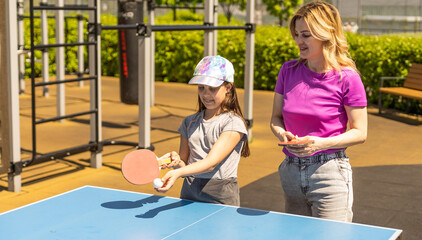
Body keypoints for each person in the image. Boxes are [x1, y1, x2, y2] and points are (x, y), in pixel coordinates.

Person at [270, 2, 367, 222]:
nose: (298, 41)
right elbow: (276, 117)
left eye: (305, 35)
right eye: (296, 34)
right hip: (290, 172)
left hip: (330, 172)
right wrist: (281, 133)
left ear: (326, 34)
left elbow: (360, 132)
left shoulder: (348, 78)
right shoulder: (287, 71)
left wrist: (319, 143)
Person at [156, 55, 250, 206]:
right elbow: (184, 165)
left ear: (228, 87)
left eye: (212, 89)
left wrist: (178, 172)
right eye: (201, 88)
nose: (206, 95)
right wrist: (175, 162)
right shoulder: (189, 122)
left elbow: (211, 163)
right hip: (189, 192)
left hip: (220, 196)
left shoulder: (233, 123)